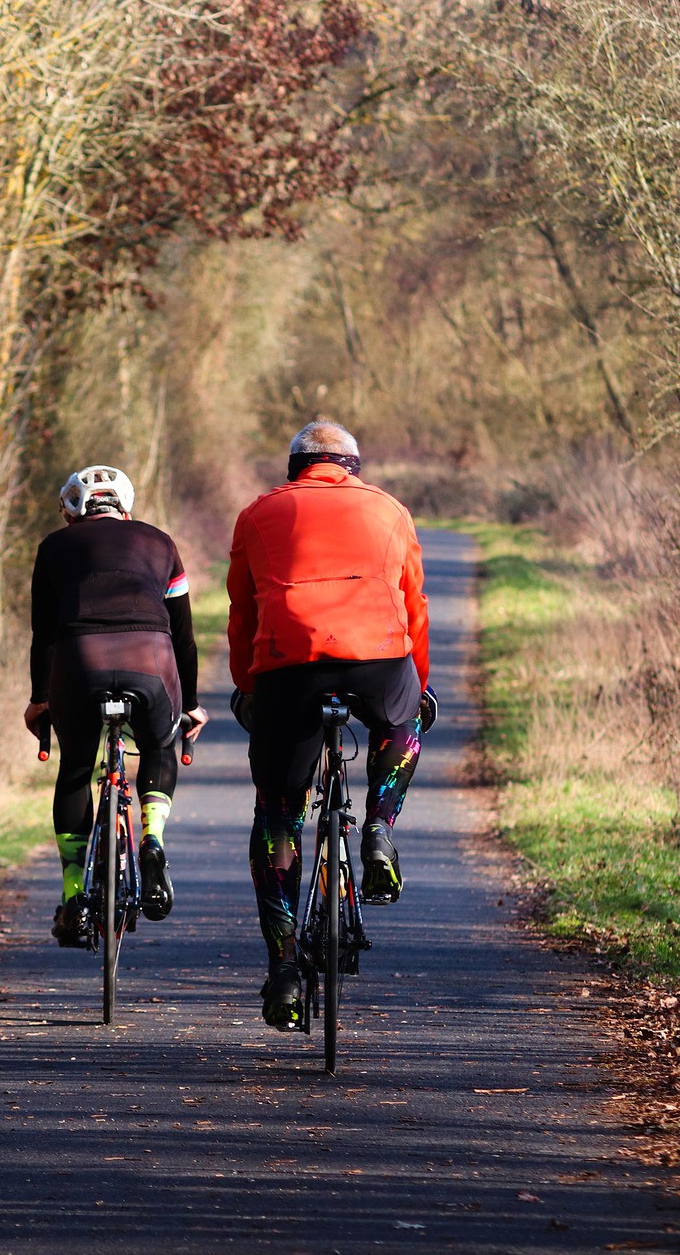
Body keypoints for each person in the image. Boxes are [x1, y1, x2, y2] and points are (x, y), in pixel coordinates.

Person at [227, 421, 434, 1028]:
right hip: (377, 662)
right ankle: (377, 827)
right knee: (402, 724)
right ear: (353, 467)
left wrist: (248, 684)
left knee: (279, 812)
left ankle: (285, 965)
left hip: (289, 670)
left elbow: (244, 611)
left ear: (295, 468)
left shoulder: (256, 515)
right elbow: (415, 605)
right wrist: (416, 686)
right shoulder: (391, 511)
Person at [25, 465, 210, 947]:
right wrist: (189, 704)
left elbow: (43, 635)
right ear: (125, 506)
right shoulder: (160, 543)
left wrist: (39, 700)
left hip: (78, 663)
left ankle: (72, 896)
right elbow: (184, 637)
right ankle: (152, 838)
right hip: (149, 660)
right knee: (158, 744)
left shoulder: (52, 548)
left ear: (72, 511)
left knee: (75, 771)